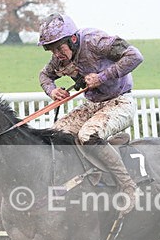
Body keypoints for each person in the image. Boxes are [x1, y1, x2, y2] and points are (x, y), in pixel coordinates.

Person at [38, 13, 143, 214]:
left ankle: (129, 186)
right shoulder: (58, 59)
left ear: (73, 39)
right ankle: (78, 179)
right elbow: (44, 75)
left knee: (87, 135)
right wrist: (52, 90)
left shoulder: (95, 41)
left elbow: (135, 56)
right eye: (51, 50)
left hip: (120, 101)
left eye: (59, 48)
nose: (57, 55)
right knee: (55, 133)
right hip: (93, 106)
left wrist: (102, 77)